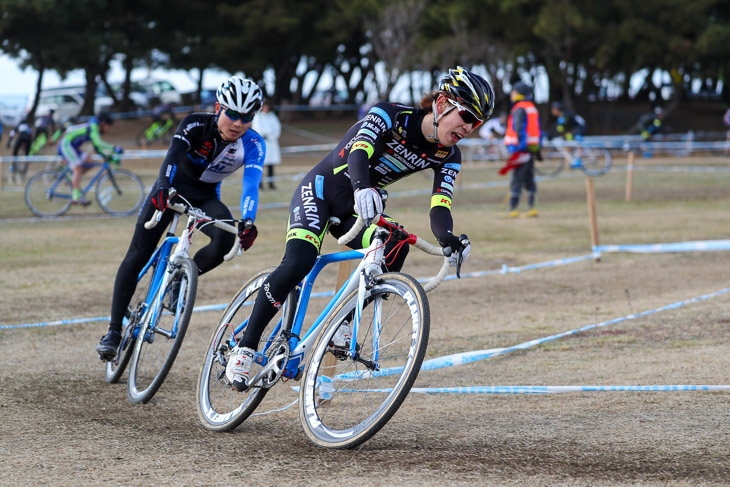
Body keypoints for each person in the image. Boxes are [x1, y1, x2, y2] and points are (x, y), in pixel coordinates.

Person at [223, 66, 494, 391]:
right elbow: (359, 151)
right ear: (441, 104)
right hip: (322, 190)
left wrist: (448, 239)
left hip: (357, 207)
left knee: (396, 244)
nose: (469, 127)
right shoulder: (390, 114)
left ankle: (343, 325)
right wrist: (363, 185)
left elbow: (440, 205)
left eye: (477, 123)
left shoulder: (449, 155)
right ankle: (245, 346)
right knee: (299, 262)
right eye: (466, 116)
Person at [96, 76, 266, 360]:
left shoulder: (254, 144)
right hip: (173, 186)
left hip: (205, 195)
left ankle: (181, 279)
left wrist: (248, 220)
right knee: (138, 253)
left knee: (225, 237)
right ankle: (113, 331)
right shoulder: (196, 123)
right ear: (218, 108)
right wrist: (163, 185)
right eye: (233, 114)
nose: (238, 123)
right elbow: (172, 157)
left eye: (246, 117)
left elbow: (251, 184)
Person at [56, 112, 120, 205]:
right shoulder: (93, 127)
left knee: (90, 161)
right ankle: (76, 196)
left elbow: (96, 148)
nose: (108, 129)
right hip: (66, 144)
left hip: (73, 147)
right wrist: (114, 148)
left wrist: (107, 156)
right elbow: (98, 143)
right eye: (108, 126)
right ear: (103, 123)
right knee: (78, 168)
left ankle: (73, 178)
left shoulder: (94, 128)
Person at [500, 81, 542, 218]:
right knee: (529, 178)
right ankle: (532, 208)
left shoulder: (519, 108)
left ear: (518, 94)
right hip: (530, 149)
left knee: (516, 179)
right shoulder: (532, 108)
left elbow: (519, 130)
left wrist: (518, 150)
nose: (512, 94)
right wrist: (538, 150)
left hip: (520, 149)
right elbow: (537, 130)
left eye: (514, 91)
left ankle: (512, 209)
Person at [251, 99, 281, 189]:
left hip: (271, 143)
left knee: (271, 165)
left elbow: (277, 128)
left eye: (267, 106)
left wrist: (271, 136)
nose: (266, 108)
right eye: (264, 106)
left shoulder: (272, 117)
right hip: (262, 143)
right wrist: (264, 135)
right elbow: (257, 129)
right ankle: (260, 184)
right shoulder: (258, 117)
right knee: (261, 165)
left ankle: (271, 184)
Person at [7, 117, 33, 183]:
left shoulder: (20, 126)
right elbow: (30, 135)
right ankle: (22, 168)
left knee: (15, 154)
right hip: (27, 140)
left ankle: (14, 164)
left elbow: (12, 133)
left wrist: (9, 142)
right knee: (26, 156)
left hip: (22, 138)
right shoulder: (27, 127)